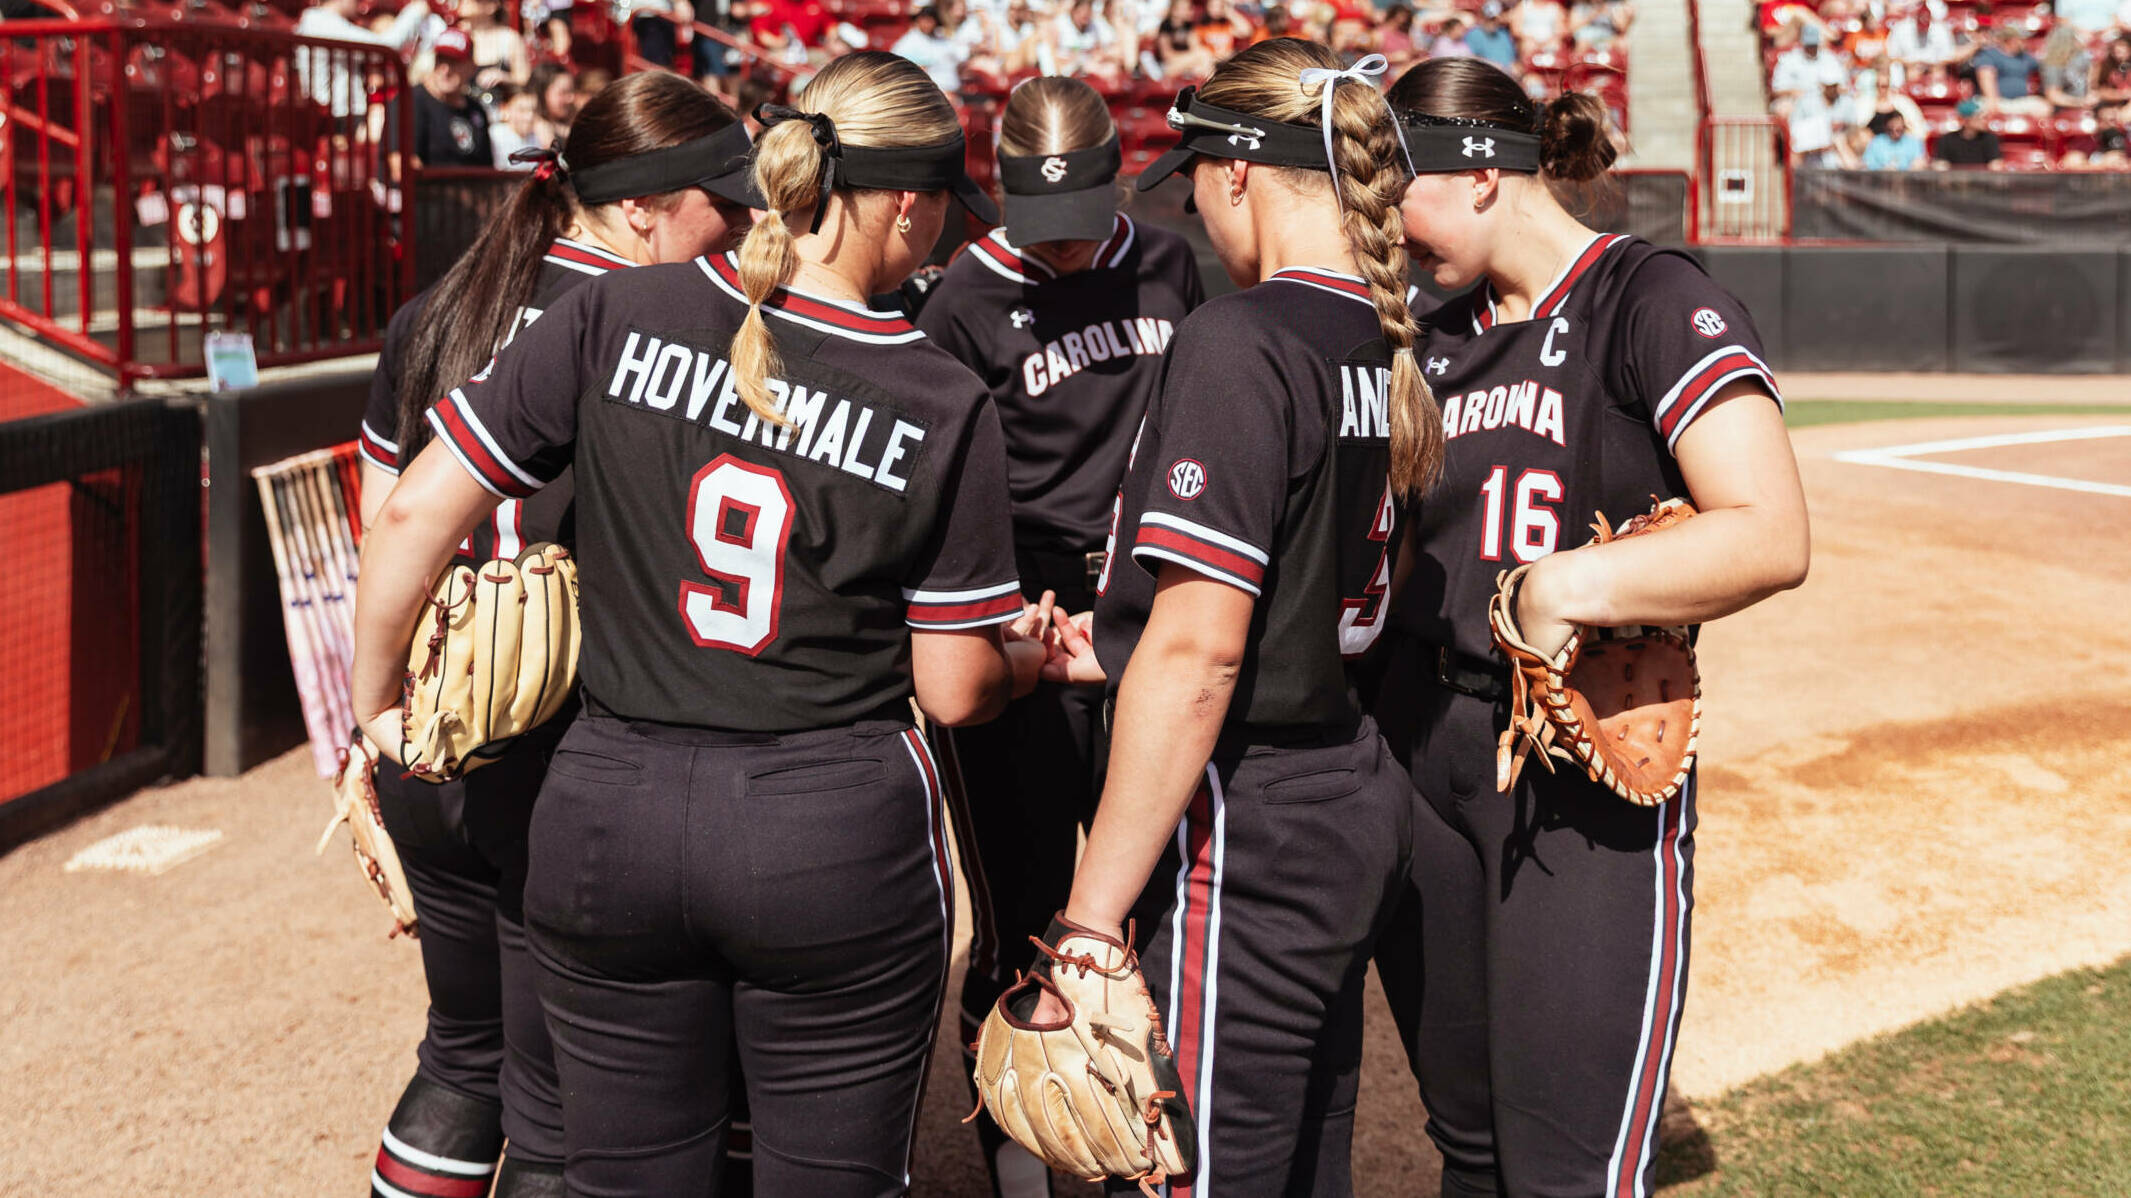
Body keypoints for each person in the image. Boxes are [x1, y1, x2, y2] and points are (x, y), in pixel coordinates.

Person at [351, 50, 1036, 1197]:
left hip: (605, 807)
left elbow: (412, 509)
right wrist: (1024, 658)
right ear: (906, 202)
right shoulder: (937, 393)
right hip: (828, 825)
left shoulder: (618, 308)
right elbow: (956, 687)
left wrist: (374, 704)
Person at [1374, 55, 1809, 1198]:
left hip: (1578, 768)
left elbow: (1768, 532)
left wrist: (1560, 588)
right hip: (1427, 749)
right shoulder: (1433, 325)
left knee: (1565, 1166)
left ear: (1478, 175)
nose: (1385, 229)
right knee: (1465, 1145)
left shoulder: (1648, 295)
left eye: (1394, 195)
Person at [1026, 39, 1434, 1196]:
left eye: (1198, 176)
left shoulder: (1241, 337)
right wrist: (1118, 651)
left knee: (1194, 1170)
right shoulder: (1387, 338)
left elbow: (1204, 653)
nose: (1197, 208)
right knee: (1302, 1157)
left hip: (1242, 819)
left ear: (1240, 173)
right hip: (1349, 788)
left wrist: (1091, 921)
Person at [352, 72, 762, 1198]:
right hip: (563, 754)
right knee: (558, 1103)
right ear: (637, 207)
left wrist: (363, 723)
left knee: (461, 1054)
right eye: (721, 203)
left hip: (428, 734)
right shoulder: (674, 329)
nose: (741, 224)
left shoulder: (438, 307)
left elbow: (381, 530)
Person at [914, 75, 1205, 1198]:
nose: (1066, 247)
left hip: (1149, 613)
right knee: (1021, 921)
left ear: (1118, 179)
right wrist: (1000, 612)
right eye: (1042, 225)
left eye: (1081, 219)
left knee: (1160, 902)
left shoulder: (1170, 262)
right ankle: (1023, 1174)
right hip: (1019, 625)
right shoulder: (961, 302)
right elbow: (945, 493)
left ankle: (1159, 1153)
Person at [391, 29, 493, 169]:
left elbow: (487, 171)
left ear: (472, 68)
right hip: (425, 190)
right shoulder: (411, 100)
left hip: (470, 188)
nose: (445, 70)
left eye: (454, 63)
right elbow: (402, 167)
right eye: (440, 61)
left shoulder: (476, 111)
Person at [1972, 20, 2051, 116]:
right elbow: (1986, 77)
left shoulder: (2024, 57)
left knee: (2043, 107)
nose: (2025, 42)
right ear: (2010, 39)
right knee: (1983, 110)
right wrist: (1993, 101)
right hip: (1995, 101)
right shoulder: (1990, 54)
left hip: (2018, 102)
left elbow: (2045, 67)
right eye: (2021, 39)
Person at [465, 0, 533, 88]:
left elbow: (525, 79)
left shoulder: (509, 38)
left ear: (491, 6)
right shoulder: (459, 36)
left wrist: (503, 77)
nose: (465, 1)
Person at [1932, 95, 2005, 167]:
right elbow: (1940, 166)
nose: (1984, 120)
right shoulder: (1946, 140)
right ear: (1965, 120)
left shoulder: (1990, 139)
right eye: (1979, 117)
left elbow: (1996, 166)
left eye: (1985, 117)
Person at [489, 83, 542, 169]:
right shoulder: (494, 135)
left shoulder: (536, 138)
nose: (529, 117)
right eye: (522, 110)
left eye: (534, 110)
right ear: (505, 109)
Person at [526, 62, 578, 142]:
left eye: (571, 91)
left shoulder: (573, 122)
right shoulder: (531, 132)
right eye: (563, 92)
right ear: (541, 93)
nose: (571, 98)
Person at [1861, 107, 1927, 166]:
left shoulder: (1914, 143)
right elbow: (1867, 162)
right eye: (1891, 130)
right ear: (1885, 128)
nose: (1895, 133)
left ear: (1904, 127)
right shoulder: (1876, 142)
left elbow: (1920, 162)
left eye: (1898, 130)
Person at [1466, 2, 1521, 73]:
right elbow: (1469, 57)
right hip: (1485, 74)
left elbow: (1512, 59)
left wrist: (1515, 67)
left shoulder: (1503, 34)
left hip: (1506, 75)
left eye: (1494, 19)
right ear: (1482, 18)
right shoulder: (1473, 34)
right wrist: (1491, 64)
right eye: (1489, 19)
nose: (1492, 22)